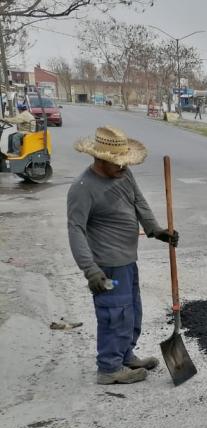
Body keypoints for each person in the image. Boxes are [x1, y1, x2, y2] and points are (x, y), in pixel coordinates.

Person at [67, 126, 180, 385]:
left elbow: (139, 202)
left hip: (128, 262)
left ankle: (124, 354)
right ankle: (108, 368)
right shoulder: (82, 188)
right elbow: (75, 231)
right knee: (114, 314)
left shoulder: (123, 174)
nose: (122, 166)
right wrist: (90, 270)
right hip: (107, 268)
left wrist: (156, 230)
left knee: (132, 311)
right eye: (117, 162)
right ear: (100, 158)